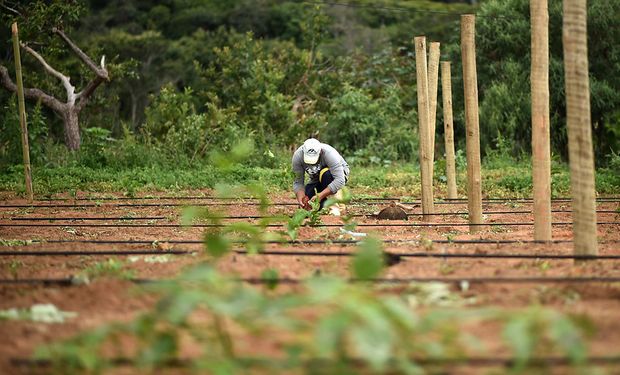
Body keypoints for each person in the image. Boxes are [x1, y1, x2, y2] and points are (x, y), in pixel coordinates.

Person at [292, 138, 350, 210]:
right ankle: (325, 204)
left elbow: (340, 180)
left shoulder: (329, 154)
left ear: (320, 152)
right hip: (317, 179)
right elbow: (298, 182)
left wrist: (320, 195)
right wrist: (301, 200)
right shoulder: (298, 156)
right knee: (307, 204)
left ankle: (335, 204)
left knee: (325, 174)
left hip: (336, 175)